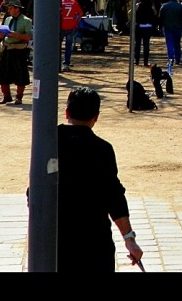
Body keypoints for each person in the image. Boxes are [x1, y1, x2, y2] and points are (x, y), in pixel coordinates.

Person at [56, 87, 143, 271]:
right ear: (96, 117)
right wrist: (129, 239)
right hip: (95, 242)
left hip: (55, 241)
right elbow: (114, 197)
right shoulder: (102, 149)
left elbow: (34, 194)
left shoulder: (48, 142)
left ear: (66, 113)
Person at [0, 0, 33, 105]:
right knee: (3, 73)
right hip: (7, 48)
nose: (9, 10)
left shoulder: (26, 21)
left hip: (19, 50)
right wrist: (1, 35)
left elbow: (29, 37)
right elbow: (3, 34)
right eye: (9, 8)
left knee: (20, 74)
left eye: (11, 8)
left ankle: (19, 97)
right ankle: (6, 96)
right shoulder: (8, 19)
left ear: (17, 9)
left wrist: (15, 34)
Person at [158, 0, 182, 65]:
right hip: (177, 26)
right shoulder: (180, 6)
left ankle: (170, 58)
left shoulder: (164, 6)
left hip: (167, 26)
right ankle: (178, 58)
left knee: (169, 43)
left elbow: (160, 17)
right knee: (177, 43)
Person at [60, 0, 85, 72]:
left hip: (61, 26)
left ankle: (57, 63)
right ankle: (66, 63)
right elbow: (81, 13)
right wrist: (76, 22)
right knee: (68, 46)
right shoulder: (74, 2)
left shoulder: (60, 2)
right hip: (71, 26)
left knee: (58, 46)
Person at [132, 0, 157, 67]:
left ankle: (137, 60)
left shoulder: (138, 5)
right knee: (146, 44)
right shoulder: (151, 6)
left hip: (139, 26)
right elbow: (155, 13)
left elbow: (132, 13)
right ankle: (145, 61)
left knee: (137, 44)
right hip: (148, 26)